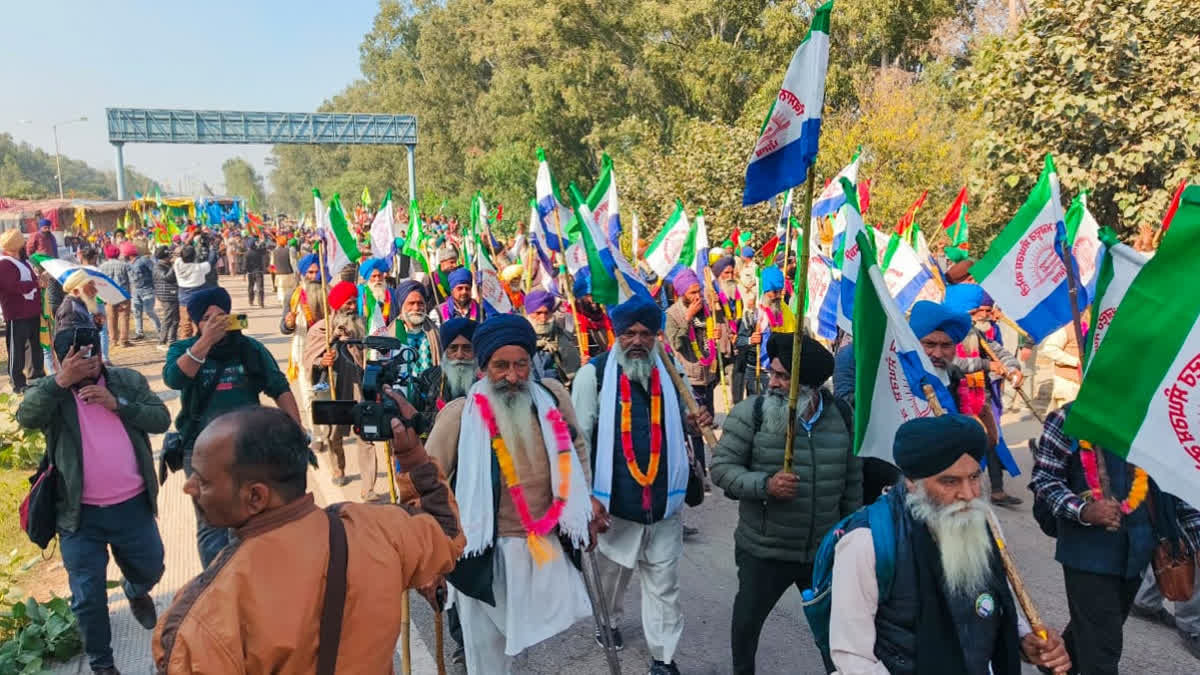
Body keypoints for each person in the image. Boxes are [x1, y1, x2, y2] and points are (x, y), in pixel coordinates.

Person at [152, 405, 465, 673]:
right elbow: (445, 532)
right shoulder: (377, 528)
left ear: (256, 496)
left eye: (202, 481)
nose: (188, 487)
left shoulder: (203, 615)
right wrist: (412, 456)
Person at [424, 313, 605, 674]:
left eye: (521, 364)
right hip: (483, 554)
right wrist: (428, 553)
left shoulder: (551, 397)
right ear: (483, 367)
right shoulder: (461, 414)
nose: (512, 376)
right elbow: (427, 482)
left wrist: (588, 503)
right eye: (501, 366)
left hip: (543, 546)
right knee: (486, 657)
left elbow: (576, 446)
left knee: (531, 644)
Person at [829, 414, 1072, 674]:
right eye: (950, 481)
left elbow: (993, 602)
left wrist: (1025, 640)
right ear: (913, 482)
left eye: (974, 477)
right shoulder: (866, 543)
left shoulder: (984, 521)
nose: (968, 494)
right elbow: (852, 656)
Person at [17, 323, 169, 675]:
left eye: (91, 357)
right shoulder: (52, 393)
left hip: (132, 505)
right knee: (87, 597)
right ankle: (103, 665)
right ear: (59, 359)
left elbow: (160, 419)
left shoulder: (126, 382)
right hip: (78, 515)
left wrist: (119, 405)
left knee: (152, 567)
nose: (87, 365)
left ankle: (135, 589)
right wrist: (59, 382)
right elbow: (27, 417)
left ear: (99, 354)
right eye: (76, 359)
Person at [711, 332, 861, 674]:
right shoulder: (753, 413)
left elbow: (852, 481)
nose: (773, 383)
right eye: (773, 373)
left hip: (823, 552)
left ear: (807, 385)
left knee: (834, 635)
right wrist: (765, 486)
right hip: (764, 549)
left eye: (782, 376)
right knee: (747, 625)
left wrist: (851, 536)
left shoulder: (841, 416)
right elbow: (721, 469)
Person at [572, 295, 706, 675]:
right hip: (614, 503)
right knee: (613, 575)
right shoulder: (593, 376)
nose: (637, 341)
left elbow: (683, 417)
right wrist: (584, 499)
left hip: (664, 502)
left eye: (646, 334)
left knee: (664, 584)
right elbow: (580, 439)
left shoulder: (669, 374)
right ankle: (609, 620)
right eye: (628, 333)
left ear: (656, 337)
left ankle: (663, 658)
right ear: (616, 335)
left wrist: (693, 422)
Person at [1030, 405, 1200, 674]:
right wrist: (1083, 510)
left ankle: (1058, 665)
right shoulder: (1069, 418)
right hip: (1087, 556)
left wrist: (1193, 537)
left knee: (1093, 630)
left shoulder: (1156, 423)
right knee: (1104, 649)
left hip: (1139, 553)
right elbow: (1045, 481)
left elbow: (1178, 485)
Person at [163, 287, 301, 567]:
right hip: (201, 451)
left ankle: (248, 577)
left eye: (221, 316)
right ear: (196, 323)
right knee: (211, 522)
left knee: (252, 514)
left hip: (247, 449)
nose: (216, 322)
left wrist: (296, 432)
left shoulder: (249, 349)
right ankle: (216, 585)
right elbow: (174, 379)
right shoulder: (183, 350)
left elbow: (279, 388)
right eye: (207, 318)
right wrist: (205, 342)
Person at [942, 284, 1025, 507]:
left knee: (992, 440)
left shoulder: (974, 332)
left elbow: (998, 351)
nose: (980, 315)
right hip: (953, 401)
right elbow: (952, 363)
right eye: (973, 312)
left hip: (981, 398)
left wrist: (1012, 367)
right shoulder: (940, 334)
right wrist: (987, 364)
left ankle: (997, 490)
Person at [304, 281, 384, 499]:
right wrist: (323, 359)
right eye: (347, 304)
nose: (351, 307)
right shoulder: (321, 329)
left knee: (365, 434)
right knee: (334, 433)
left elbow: (374, 351)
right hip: (334, 387)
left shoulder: (363, 326)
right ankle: (338, 467)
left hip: (359, 386)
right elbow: (309, 359)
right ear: (337, 306)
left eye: (353, 303)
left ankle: (368, 488)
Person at [665, 268, 718, 477]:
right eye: (692, 293)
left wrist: (716, 333)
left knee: (708, 417)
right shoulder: (672, 315)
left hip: (708, 374)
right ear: (681, 295)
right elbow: (675, 343)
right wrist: (687, 318)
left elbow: (710, 334)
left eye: (699, 291)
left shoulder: (706, 309)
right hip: (689, 377)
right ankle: (698, 469)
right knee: (695, 425)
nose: (697, 296)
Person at [281, 253, 327, 449]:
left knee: (324, 394)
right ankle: (317, 435)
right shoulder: (294, 296)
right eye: (310, 272)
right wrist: (289, 323)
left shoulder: (327, 292)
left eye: (317, 272)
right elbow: (283, 328)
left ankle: (328, 434)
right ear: (303, 274)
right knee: (308, 395)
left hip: (325, 351)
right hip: (302, 352)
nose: (314, 276)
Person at [411, 317, 478, 438]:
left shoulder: (485, 381)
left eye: (467, 348)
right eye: (453, 348)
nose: (460, 355)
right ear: (445, 351)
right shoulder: (429, 378)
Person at [0, 228, 44, 393]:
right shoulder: (4, 263)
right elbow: (11, 286)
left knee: (34, 346)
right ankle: (17, 382)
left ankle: (36, 375)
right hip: (16, 313)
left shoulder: (24, 262)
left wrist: (40, 282)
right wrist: (35, 284)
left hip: (32, 310)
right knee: (17, 349)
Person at [394, 279, 442, 400]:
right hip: (402, 395)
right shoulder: (392, 334)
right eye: (411, 303)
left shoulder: (435, 333)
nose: (416, 307)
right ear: (401, 306)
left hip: (431, 396)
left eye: (420, 303)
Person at [525, 288, 582, 383]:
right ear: (530, 313)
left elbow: (573, 368)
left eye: (546, 313)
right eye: (538, 313)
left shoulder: (558, 334)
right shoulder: (522, 336)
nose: (543, 318)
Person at [173, 240, 217, 339]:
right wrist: (212, 248)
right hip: (198, 301)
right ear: (194, 256)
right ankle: (198, 348)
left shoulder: (177, 264)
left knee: (185, 327)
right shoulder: (200, 268)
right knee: (198, 326)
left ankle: (184, 348)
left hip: (183, 301)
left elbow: (181, 255)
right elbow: (212, 260)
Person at [570, 268, 614, 363]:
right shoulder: (568, 321)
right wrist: (578, 361)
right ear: (579, 298)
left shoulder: (607, 317)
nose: (594, 299)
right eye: (589, 295)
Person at [99, 245, 133, 348]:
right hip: (123, 294)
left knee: (110, 318)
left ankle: (113, 340)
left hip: (109, 294)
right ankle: (123, 340)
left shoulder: (102, 266)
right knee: (124, 317)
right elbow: (131, 279)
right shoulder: (125, 265)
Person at [1041, 324, 1081, 412]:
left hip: (1089, 385)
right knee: (1066, 420)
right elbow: (1049, 349)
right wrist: (1075, 361)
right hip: (1069, 385)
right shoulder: (1067, 327)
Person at [128, 242, 159, 341]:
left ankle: (161, 330)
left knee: (149, 311)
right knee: (137, 312)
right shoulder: (128, 264)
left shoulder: (144, 260)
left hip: (147, 290)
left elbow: (155, 271)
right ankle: (139, 333)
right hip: (135, 291)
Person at [153, 247, 179, 351]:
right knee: (168, 318)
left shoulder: (167, 265)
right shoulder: (158, 266)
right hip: (166, 296)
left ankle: (172, 340)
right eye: (169, 256)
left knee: (176, 319)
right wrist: (174, 265)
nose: (171, 257)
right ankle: (161, 341)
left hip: (173, 294)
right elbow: (167, 277)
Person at [271, 235, 296, 305]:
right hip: (289, 273)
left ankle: (283, 303)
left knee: (281, 290)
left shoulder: (274, 252)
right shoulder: (288, 250)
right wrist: (296, 272)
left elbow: (272, 264)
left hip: (279, 274)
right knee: (290, 289)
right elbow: (292, 262)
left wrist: (274, 272)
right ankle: (289, 302)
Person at [243, 237, 267, 308]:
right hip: (259, 271)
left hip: (250, 273)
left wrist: (244, 274)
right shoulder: (258, 251)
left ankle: (251, 301)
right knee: (260, 287)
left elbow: (245, 265)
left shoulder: (247, 254)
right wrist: (262, 242)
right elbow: (264, 250)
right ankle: (261, 302)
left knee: (250, 287)